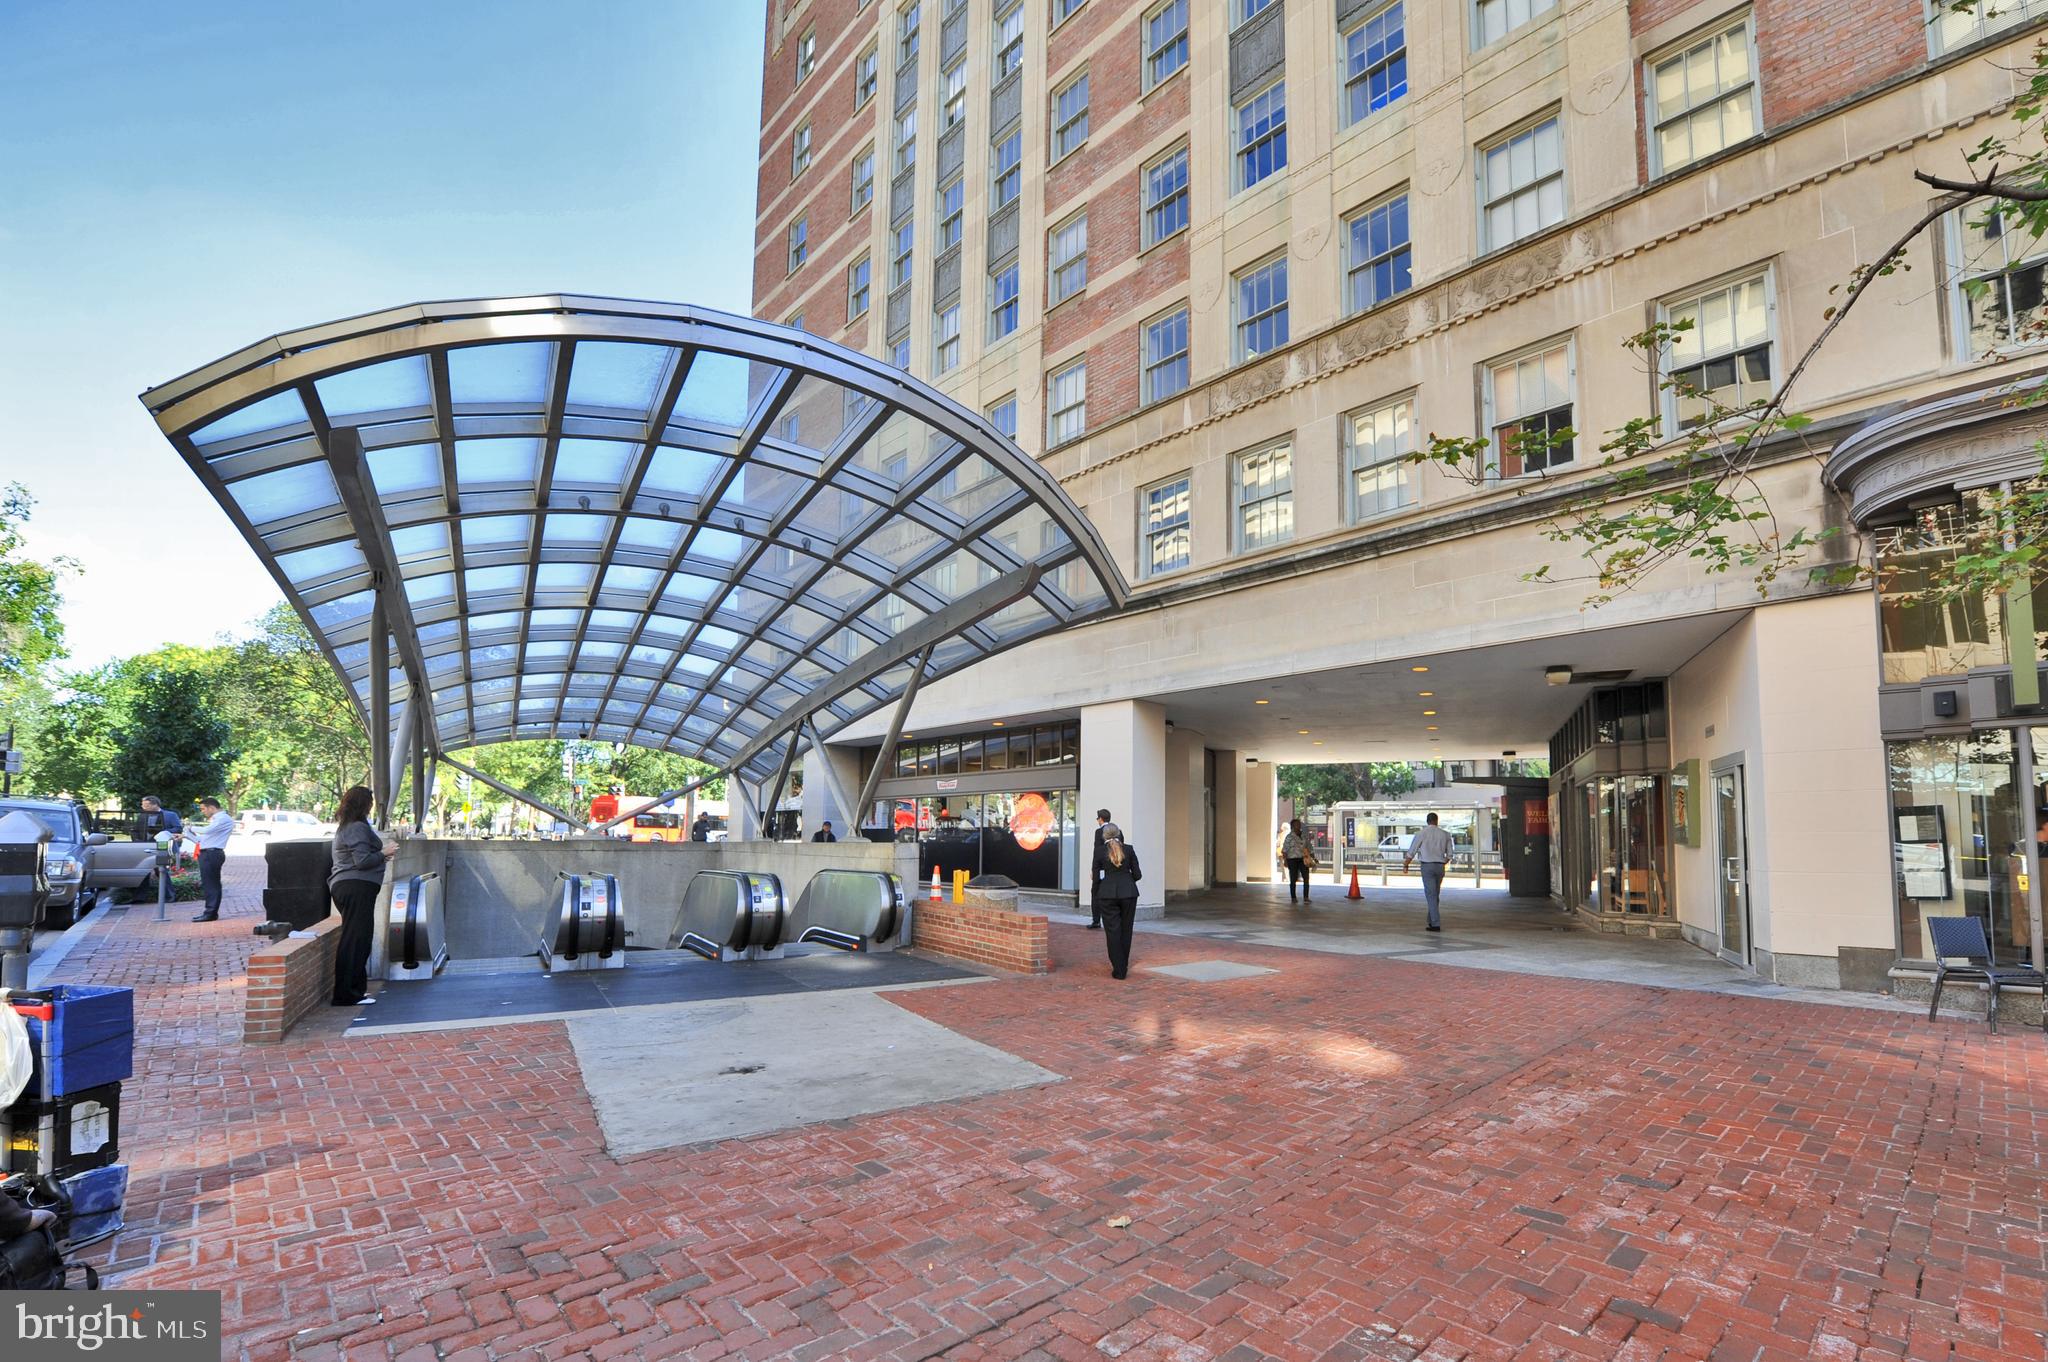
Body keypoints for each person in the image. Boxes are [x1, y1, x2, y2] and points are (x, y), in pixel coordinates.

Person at [328, 785, 394, 1007]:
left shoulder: (348, 826)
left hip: (351, 886)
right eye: (369, 803)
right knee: (356, 940)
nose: (371, 806)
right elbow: (362, 861)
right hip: (355, 886)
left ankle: (355, 991)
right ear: (363, 804)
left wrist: (380, 856)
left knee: (357, 938)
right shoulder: (356, 828)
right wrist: (384, 852)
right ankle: (347, 994)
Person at [1091, 824, 1142, 980]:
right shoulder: (1129, 849)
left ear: (1104, 836)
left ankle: (1119, 968)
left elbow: (1096, 876)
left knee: (1113, 931)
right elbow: (1138, 874)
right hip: (1129, 893)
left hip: (1107, 894)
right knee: (1126, 929)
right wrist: (1127, 881)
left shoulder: (1099, 851)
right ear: (1119, 834)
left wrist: (1097, 892)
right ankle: (1123, 965)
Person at [185, 796, 235, 922]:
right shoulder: (217, 820)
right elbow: (201, 840)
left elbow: (207, 830)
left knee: (211, 884)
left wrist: (191, 828)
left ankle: (210, 913)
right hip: (208, 853)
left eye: (203, 809)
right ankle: (210, 912)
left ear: (211, 807)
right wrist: (186, 835)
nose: (202, 812)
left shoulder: (223, 818)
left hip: (212, 854)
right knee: (209, 884)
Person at [1404, 813, 1455, 932]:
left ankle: (1436, 923)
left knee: (1431, 895)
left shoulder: (1421, 833)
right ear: (1437, 821)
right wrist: (1443, 862)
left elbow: (1412, 851)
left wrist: (1406, 864)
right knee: (1435, 895)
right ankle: (1431, 921)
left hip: (1427, 866)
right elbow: (1450, 854)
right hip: (1440, 866)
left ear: (1427, 821)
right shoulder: (1445, 834)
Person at [1088, 808, 1112, 930]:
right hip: (1113, 869)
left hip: (1101, 868)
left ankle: (1096, 920)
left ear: (1101, 819)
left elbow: (1096, 852)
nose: (1097, 820)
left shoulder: (1099, 832)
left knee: (1095, 893)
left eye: (1098, 818)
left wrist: (1094, 870)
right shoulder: (1118, 831)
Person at [1281, 818, 1313, 903]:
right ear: (1293, 826)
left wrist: (1312, 856)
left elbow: (1309, 846)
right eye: (1297, 824)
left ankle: (1306, 897)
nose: (1299, 825)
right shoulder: (1289, 837)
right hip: (1292, 859)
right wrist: (1285, 860)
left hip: (1303, 859)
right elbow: (1285, 849)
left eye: (1299, 824)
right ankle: (1293, 897)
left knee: (1306, 878)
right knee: (1293, 878)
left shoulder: (1303, 835)